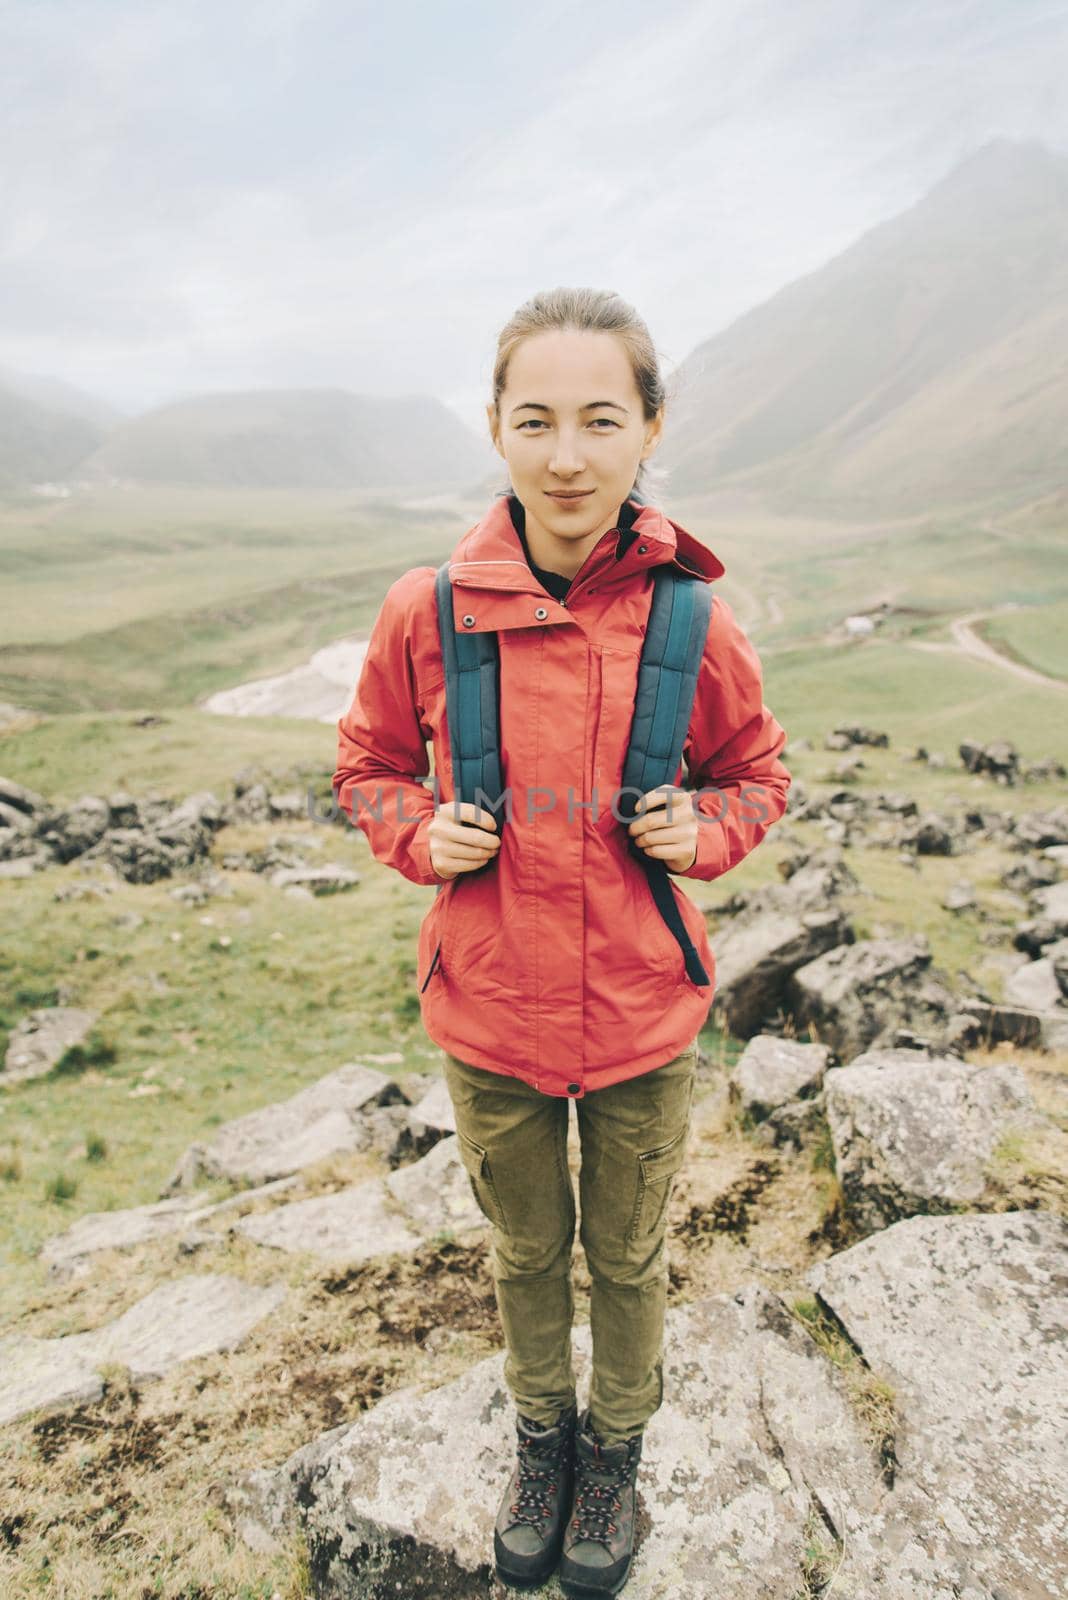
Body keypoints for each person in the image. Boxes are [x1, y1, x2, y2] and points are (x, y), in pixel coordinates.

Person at [332, 286, 791, 1597]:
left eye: (602, 419)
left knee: (628, 1255)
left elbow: (756, 774)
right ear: (494, 427)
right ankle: (546, 1440)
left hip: (646, 1017)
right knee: (527, 1253)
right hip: (490, 1014)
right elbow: (367, 766)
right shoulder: (425, 611)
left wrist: (705, 833)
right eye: (536, 420)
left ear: (650, 428)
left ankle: (617, 1455)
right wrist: (421, 836)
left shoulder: (694, 619)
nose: (568, 454)